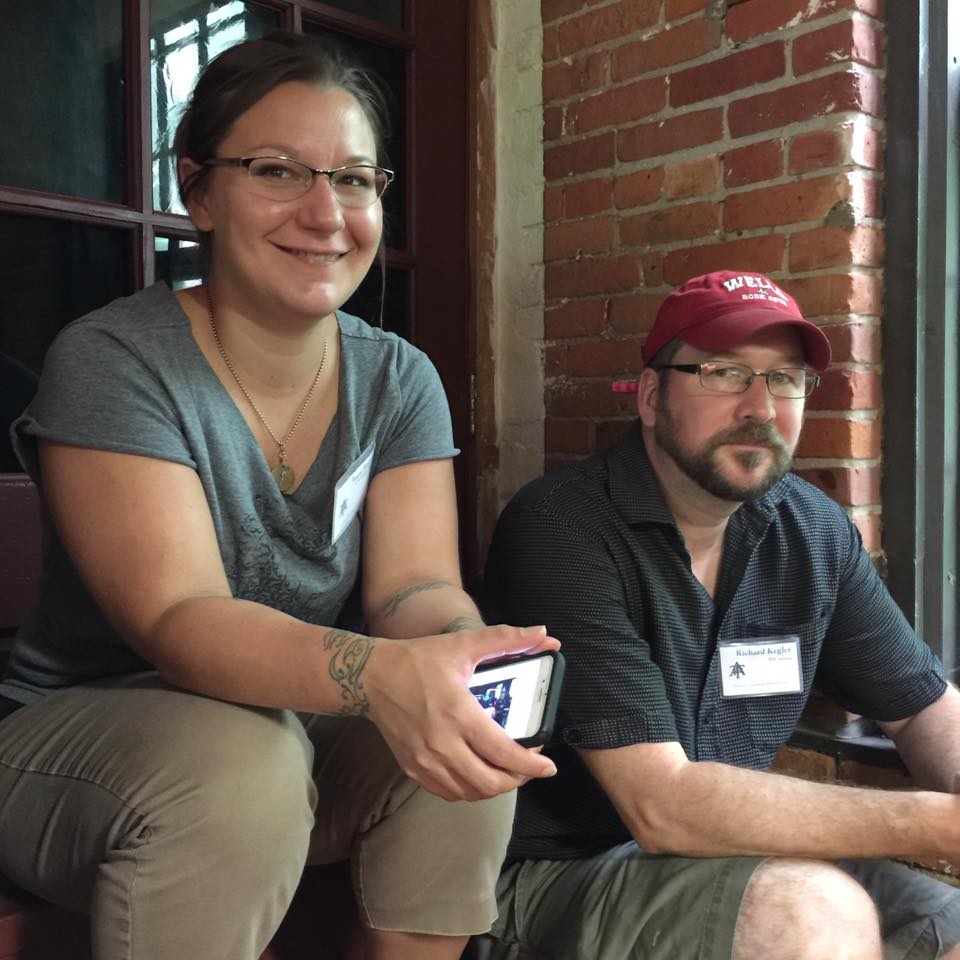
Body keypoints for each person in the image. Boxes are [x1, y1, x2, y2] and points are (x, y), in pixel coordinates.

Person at [0, 32, 558, 960]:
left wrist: (454, 658)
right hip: (76, 744)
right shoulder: (116, 360)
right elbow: (177, 617)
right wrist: (382, 676)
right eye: (277, 171)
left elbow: (413, 587)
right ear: (199, 192)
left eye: (354, 179)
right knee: (240, 767)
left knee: (459, 748)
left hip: (286, 726)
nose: (325, 213)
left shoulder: (398, 379)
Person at [479, 270, 960, 960]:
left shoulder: (813, 531)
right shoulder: (562, 527)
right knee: (809, 914)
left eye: (786, 379)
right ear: (651, 396)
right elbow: (662, 805)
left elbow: (921, 707)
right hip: (559, 875)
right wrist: (936, 826)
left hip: (736, 856)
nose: (761, 407)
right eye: (724, 373)